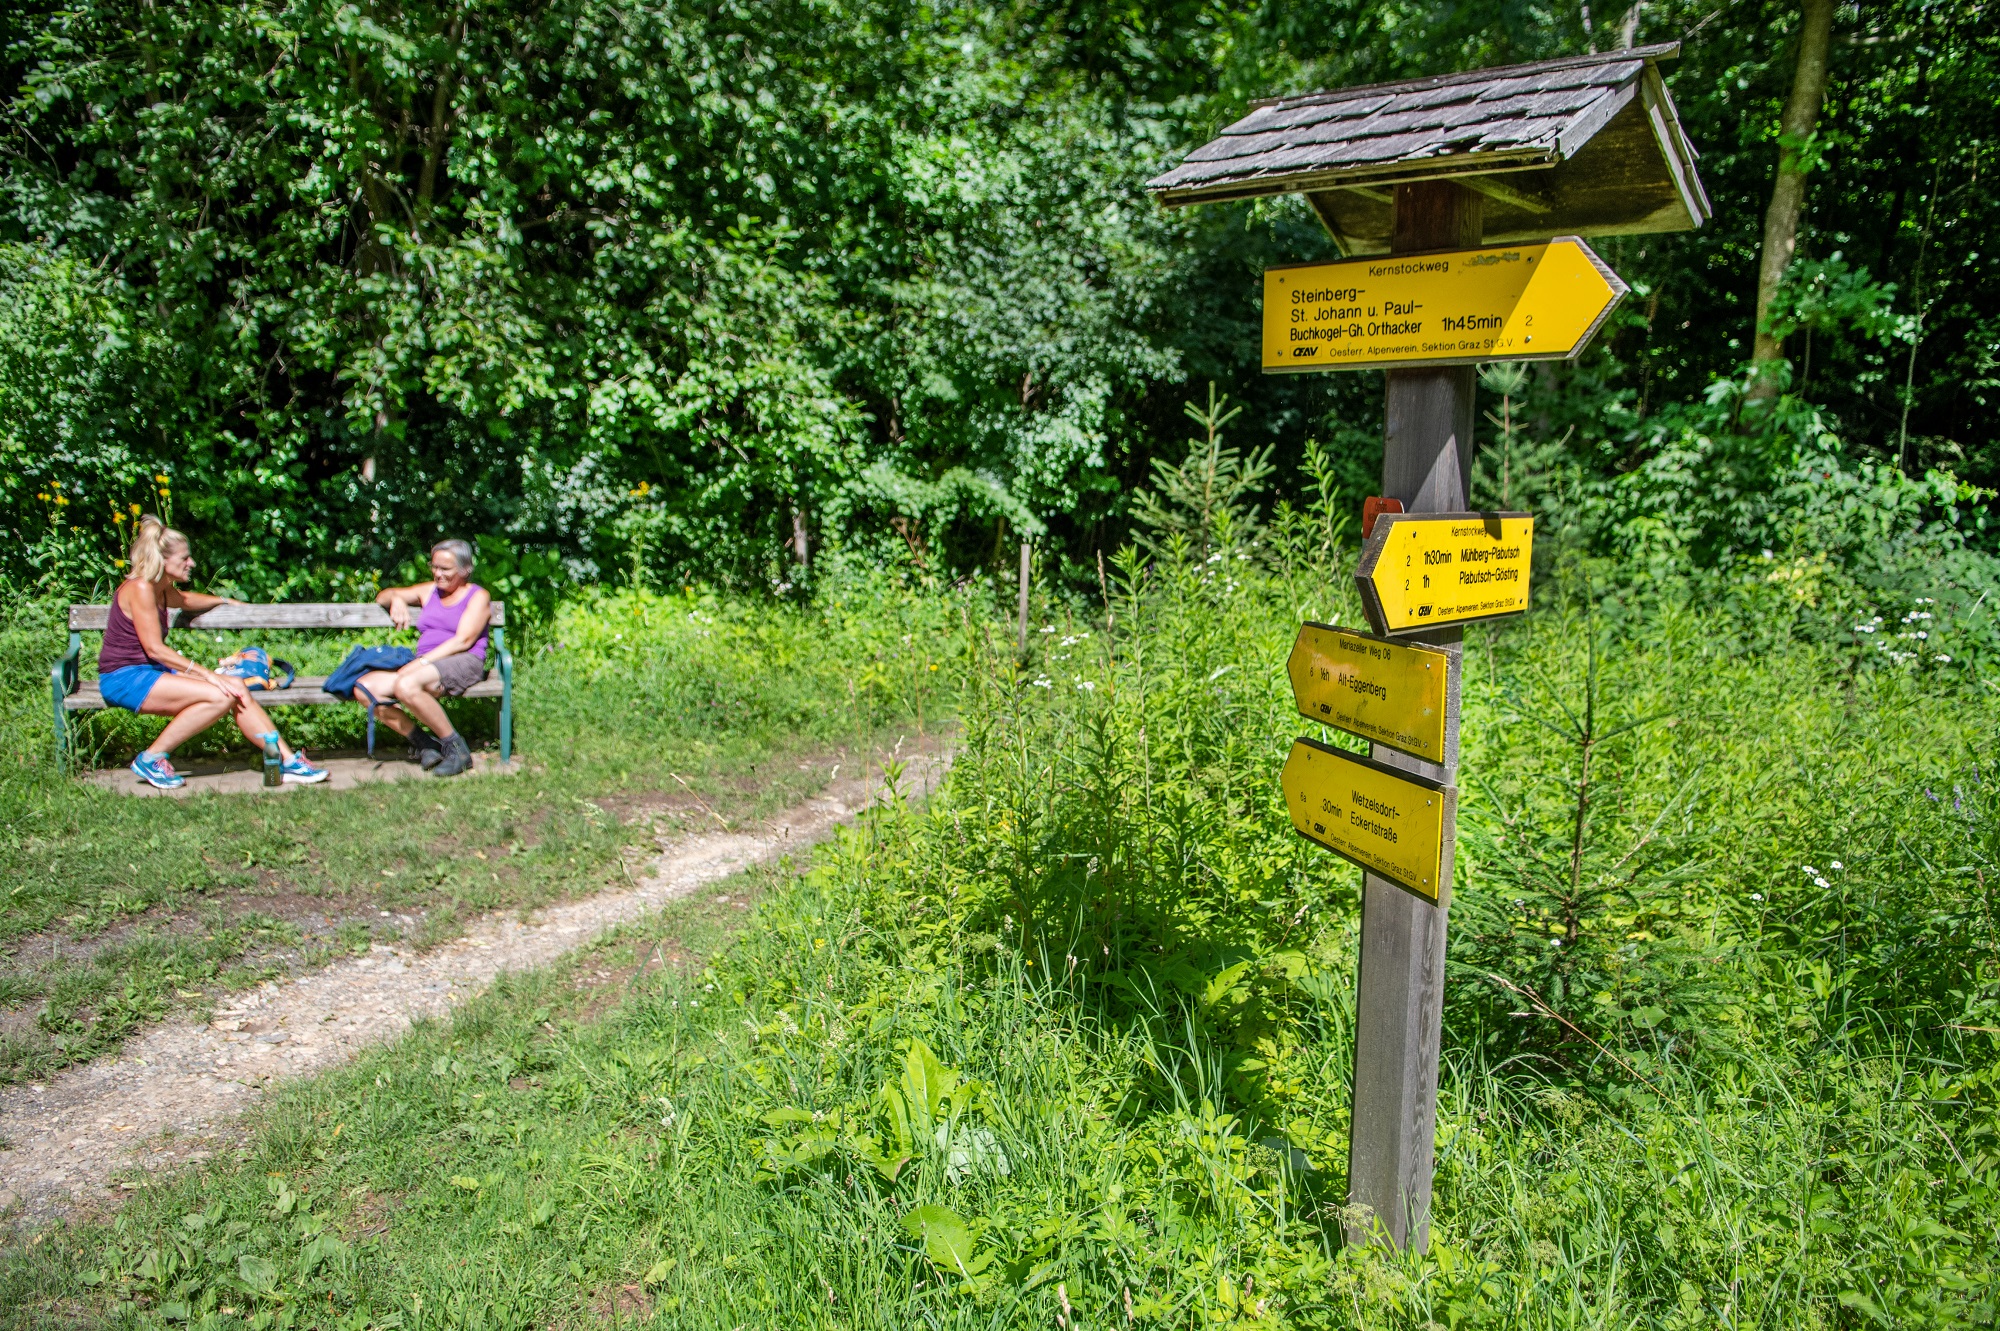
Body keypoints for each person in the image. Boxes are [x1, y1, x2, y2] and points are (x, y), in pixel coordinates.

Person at [100, 515, 330, 790]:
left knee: (236, 687)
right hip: (124, 677)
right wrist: (209, 675)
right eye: (184, 559)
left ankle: (287, 761)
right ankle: (151, 758)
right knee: (221, 693)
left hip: (149, 673)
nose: (191, 563)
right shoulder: (140, 589)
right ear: (162, 561)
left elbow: (184, 600)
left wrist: (223, 600)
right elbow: (155, 649)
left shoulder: (160, 589)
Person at [358, 539, 492, 777]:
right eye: (434, 567)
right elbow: (383, 596)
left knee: (406, 683)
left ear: (465, 570)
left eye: (445, 569)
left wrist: (420, 663)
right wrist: (397, 598)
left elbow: (463, 641)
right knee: (365, 688)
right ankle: (425, 744)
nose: (437, 574)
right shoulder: (429, 591)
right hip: (427, 665)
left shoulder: (477, 596)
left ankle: (457, 749)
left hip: (463, 660)